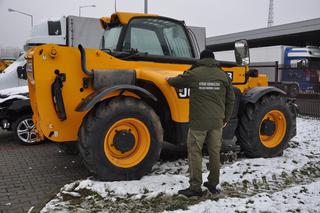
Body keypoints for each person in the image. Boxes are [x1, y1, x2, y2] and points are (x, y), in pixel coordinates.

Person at [166, 50, 235, 197]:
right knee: (215, 153)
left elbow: (174, 82)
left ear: (201, 59)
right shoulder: (223, 75)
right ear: (213, 60)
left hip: (198, 123)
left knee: (195, 152)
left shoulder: (195, 73)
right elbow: (231, 99)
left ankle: (195, 187)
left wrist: (168, 79)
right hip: (217, 122)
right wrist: (226, 118)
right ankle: (212, 184)